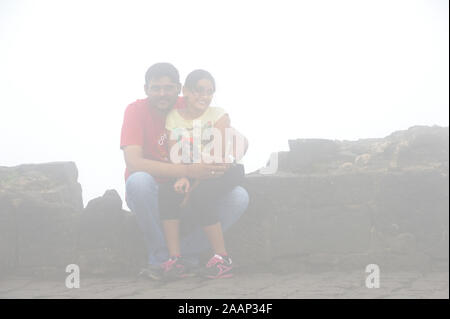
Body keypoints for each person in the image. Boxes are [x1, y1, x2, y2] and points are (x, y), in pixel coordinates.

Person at [120, 63, 249, 280]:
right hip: (154, 190)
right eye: (156, 87)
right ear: (146, 89)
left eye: (168, 87)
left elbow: (239, 140)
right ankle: (161, 257)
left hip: (190, 187)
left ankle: (183, 257)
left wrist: (226, 157)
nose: (162, 93)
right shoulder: (135, 111)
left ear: (180, 88)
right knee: (138, 181)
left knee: (239, 197)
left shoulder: (190, 104)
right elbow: (133, 162)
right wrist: (187, 170)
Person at [158, 69, 246, 279]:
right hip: (192, 170)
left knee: (201, 195)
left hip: (222, 168)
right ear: (186, 91)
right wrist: (180, 177)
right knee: (167, 192)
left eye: (209, 92)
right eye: (198, 91)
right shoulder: (173, 117)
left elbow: (216, 155)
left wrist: (192, 188)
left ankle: (222, 258)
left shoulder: (218, 114)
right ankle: (175, 259)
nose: (204, 97)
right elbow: (174, 152)